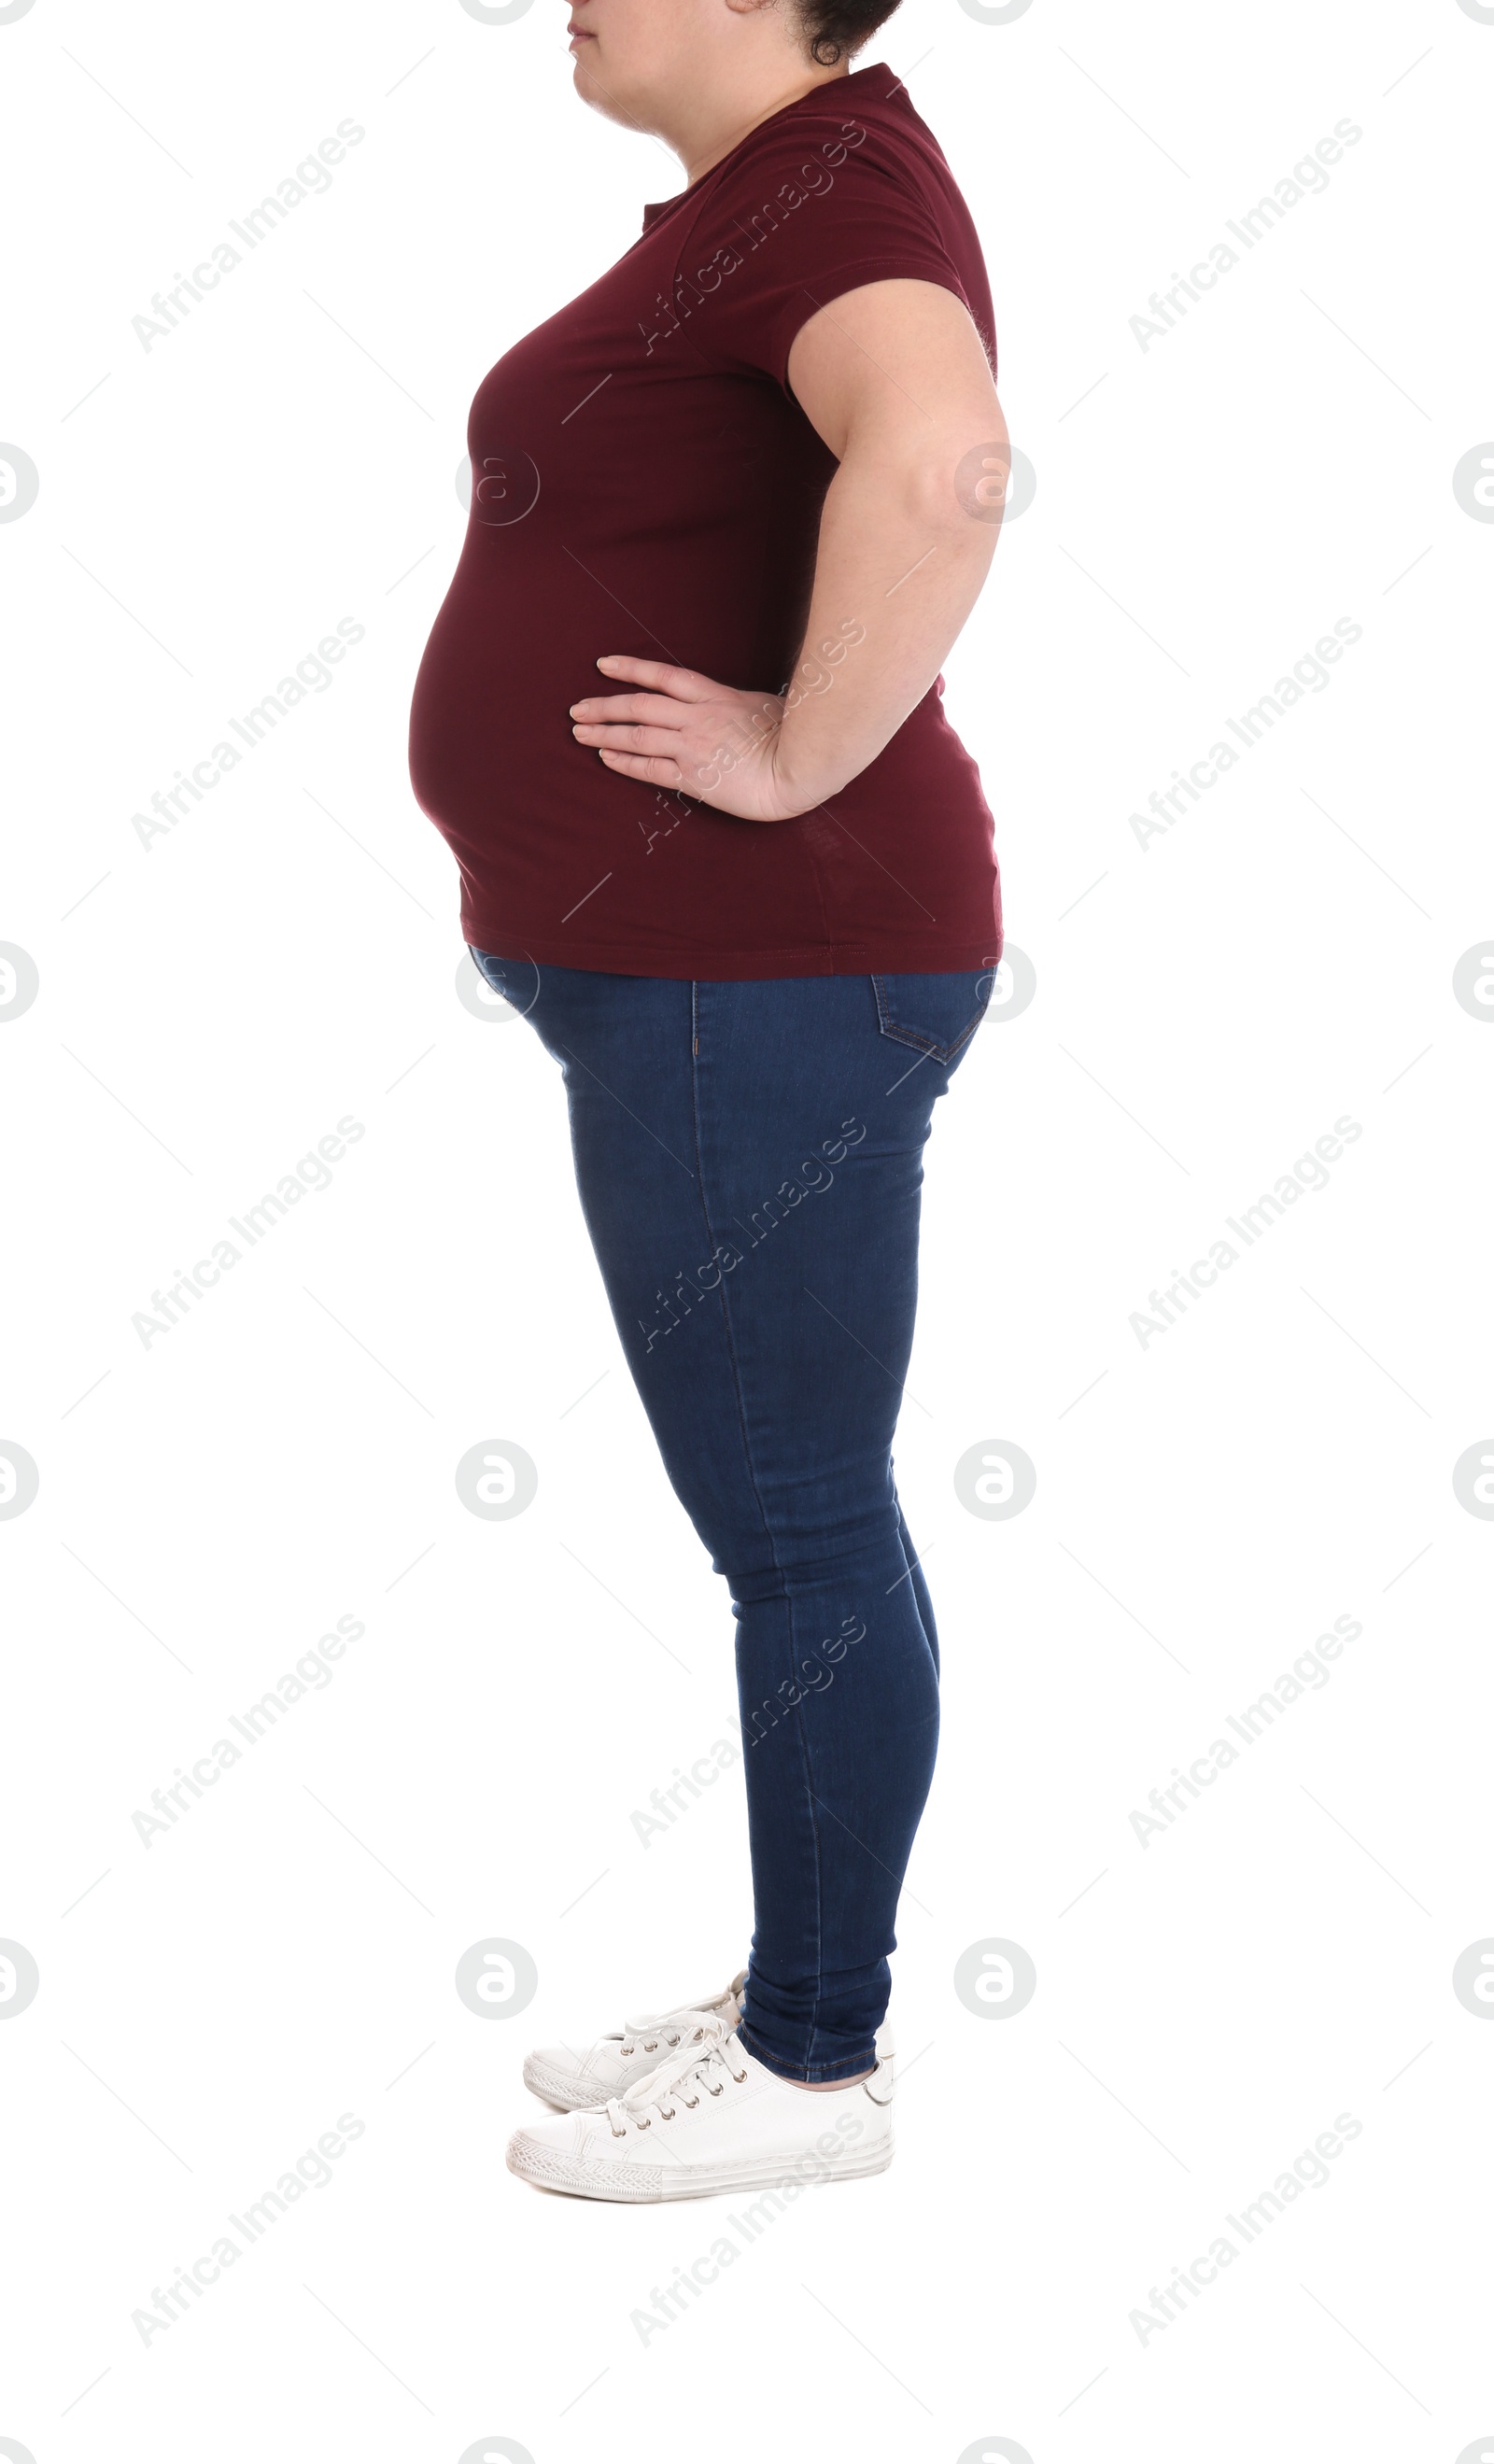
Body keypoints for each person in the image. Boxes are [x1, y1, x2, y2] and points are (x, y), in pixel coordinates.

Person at [408, 0, 1008, 2201]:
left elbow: (940, 462)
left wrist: (789, 756)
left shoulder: (834, 192)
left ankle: (811, 2064)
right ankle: (795, 1981)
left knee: (795, 1526)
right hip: (703, 985)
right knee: (794, 1517)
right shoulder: (780, 194)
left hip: (757, 975)